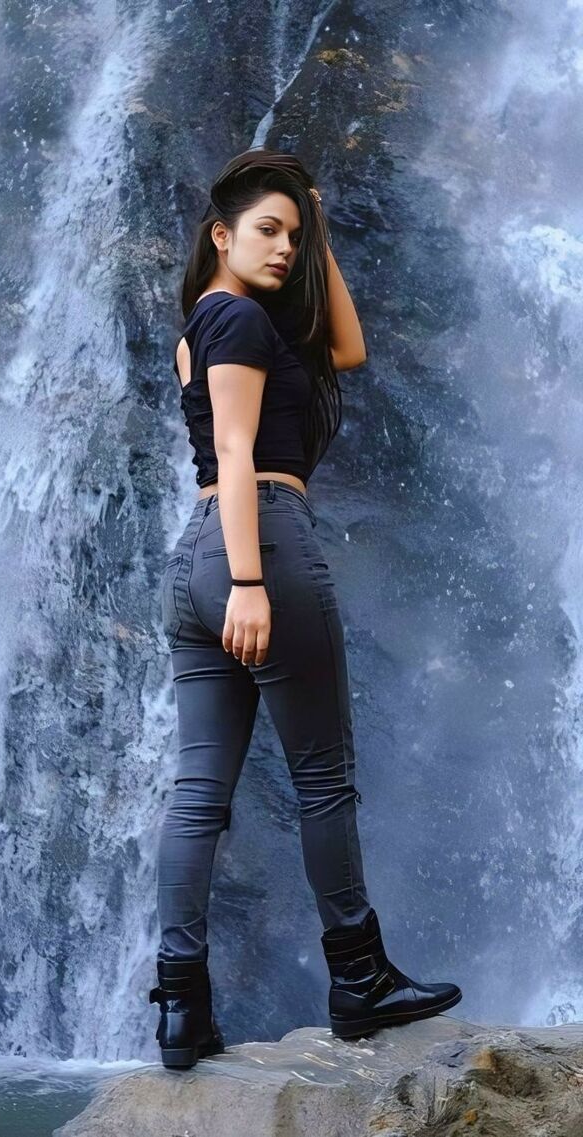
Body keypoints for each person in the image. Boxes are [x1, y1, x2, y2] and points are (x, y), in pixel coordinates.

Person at [149, 148, 462, 1071]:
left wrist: (317, 235)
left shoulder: (205, 324)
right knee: (322, 777)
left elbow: (348, 350)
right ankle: (359, 976)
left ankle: (181, 1005)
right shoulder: (239, 319)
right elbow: (237, 449)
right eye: (269, 229)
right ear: (221, 234)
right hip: (261, 544)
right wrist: (251, 582)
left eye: (294, 232)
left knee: (198, 791)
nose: (285, 246)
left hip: (194, 555)